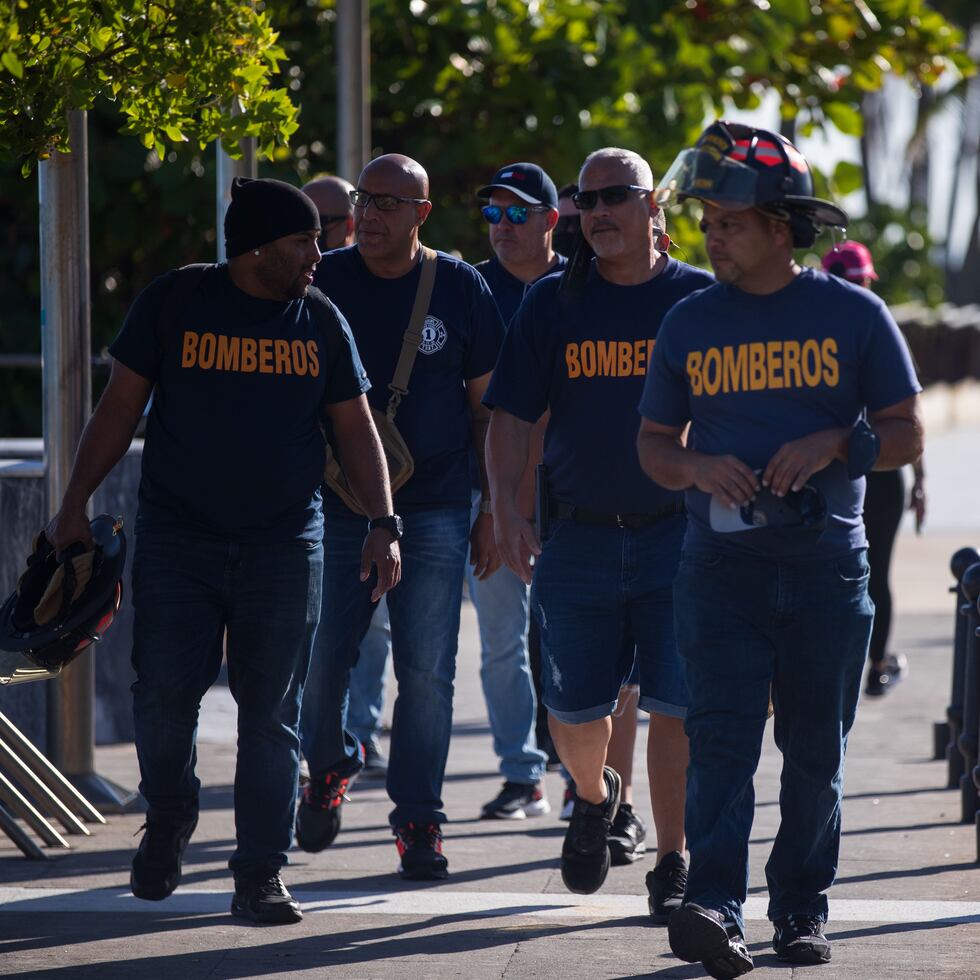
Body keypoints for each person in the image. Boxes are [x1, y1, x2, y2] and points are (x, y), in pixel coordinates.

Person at [46, 177, 398, 925]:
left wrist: (383, 520)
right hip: (180, 541)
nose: (319, 253)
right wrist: (73, 503)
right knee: (162, 698)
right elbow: (117, 410)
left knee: (271, 715)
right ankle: (171, 815)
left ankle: (260, 874)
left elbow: (356, 426)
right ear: (258, 247)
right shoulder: (175, 303)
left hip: (284, 544)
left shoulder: (320, 318)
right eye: (304, 241)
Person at [639, 121, 923, 977]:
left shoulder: (853, 314)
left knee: (814, 756)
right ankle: (715, 909)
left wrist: (841, 442)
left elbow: (908, 432)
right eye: (708, 222)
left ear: (777, 226)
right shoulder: (689, 321)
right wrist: (696, 463)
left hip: (827, 573)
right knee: (721, 743)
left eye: (726, 222)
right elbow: (653, 444)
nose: (710, 236)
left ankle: (800, 910)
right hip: (719, 572)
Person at [485, 147, 713, 914]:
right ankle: (593, 795)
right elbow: (511, 417)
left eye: (618, 195)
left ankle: (675, 861)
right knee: (575, 708)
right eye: (588, 199)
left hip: (677, 535)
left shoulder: (700, 304)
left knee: (676, 705)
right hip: (576, 536)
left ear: (656, 208)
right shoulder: (553, 302)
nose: (600, 211)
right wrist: (508, 510)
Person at [297, 153, 505, 880]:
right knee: (322, 665)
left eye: (390, 203)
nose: (371, 214)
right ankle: (327, 764)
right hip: (339, 505)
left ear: (421, 213)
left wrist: (491, 510)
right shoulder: (327, 281)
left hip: (437, 508)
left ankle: (419, 821)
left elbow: (487, 411)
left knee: (428, 673)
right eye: (365, 199)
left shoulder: (459, 286)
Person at [470, 162, 565, 819]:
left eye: (517, 214)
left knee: (576, 641)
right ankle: (521, 773)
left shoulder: (581, 287)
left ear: (550, 221)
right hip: (491, 495)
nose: (502, 228)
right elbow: (476, 412)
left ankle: (586, 780)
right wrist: (493, 506)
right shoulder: (471, 289)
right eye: (493, 214)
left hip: (577, 495)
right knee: (501, 642)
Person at [303, 175, 392, 775]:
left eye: (328, 224)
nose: (319, 241)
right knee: (321, 647)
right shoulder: (310, 291)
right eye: (307, 226)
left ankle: (358, 739)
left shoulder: (449, 283)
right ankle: (330, 757)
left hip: (404, 495)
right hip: (317, 501)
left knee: (391, 642)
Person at [821, 240, 926, 696]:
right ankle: (874, 664)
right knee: (870, 572)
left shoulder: (813, 330)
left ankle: (859, 662)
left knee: (850, 570)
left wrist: (918, 481)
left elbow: (908, 425)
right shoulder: (879, 330)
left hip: (858, 470)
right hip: (868, 472)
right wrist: (921, 482)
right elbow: (908, 419)